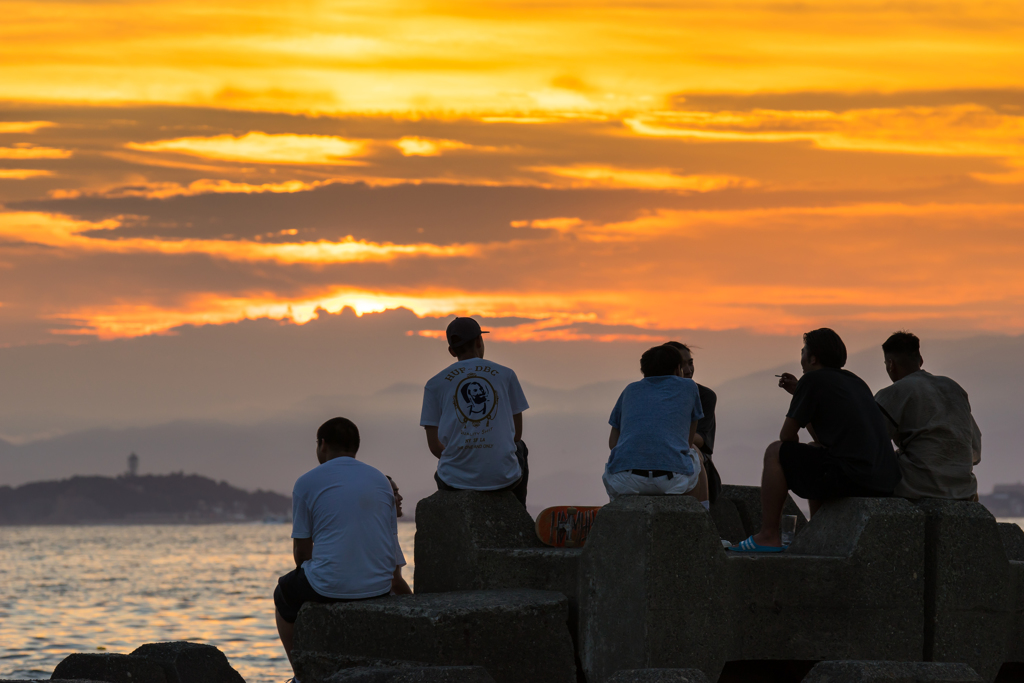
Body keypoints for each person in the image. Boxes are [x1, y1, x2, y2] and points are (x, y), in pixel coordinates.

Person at [730, 328, 901, 553]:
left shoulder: (812, 380)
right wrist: (800, 395)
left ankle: (768, 535)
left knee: (775, 451)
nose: (801, 358)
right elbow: (825, 440)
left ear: (813, 358)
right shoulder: (855, 381)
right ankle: (818, 530)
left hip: (854, 477)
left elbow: (786, 437)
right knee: (815, 449)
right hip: (884, 480)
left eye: (803, 352)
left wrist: (801, 394)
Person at [274, 418, 409, 678]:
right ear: (356, 446)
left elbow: (302, 552)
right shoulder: (380, 480)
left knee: (283, 594)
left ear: (322, 444)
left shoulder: (306, 482)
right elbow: (390, 545)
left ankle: (300, 674)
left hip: (328, 586)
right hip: (379, 586)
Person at [420, 317, 531, 506]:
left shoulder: (434, 384)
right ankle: (519, 511)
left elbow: (435, 447)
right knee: (521, 447)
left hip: (453, 482)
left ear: (451, 351)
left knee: (445, 467)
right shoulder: (506, 374)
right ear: (479, 341)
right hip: (505, 478)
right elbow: (516, 435)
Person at [874, 331, 982, 501]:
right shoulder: (953, 388)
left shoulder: (893, 393)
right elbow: (975, 450)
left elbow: (870, 444)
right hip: (963, 489)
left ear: (891, 365)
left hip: (918, 485)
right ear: (921, 360)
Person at [603, 345, 709, 506]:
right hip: (673, 480)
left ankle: (617, 514)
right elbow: (686, 443)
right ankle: (700, 512)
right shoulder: (689, 387)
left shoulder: (630, 390)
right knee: (695, 453)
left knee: (617, 463)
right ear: (677, 369)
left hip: (626, 480)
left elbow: (613, 443)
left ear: (644, 370)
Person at [664, 341, 722, 503]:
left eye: (690, 363)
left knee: (692, 450)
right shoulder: (655, 394)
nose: (688, 370)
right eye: (682, 365)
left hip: (694, 458)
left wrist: (666, 435)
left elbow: (701, 439)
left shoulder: (704, 396)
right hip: (663, 455)